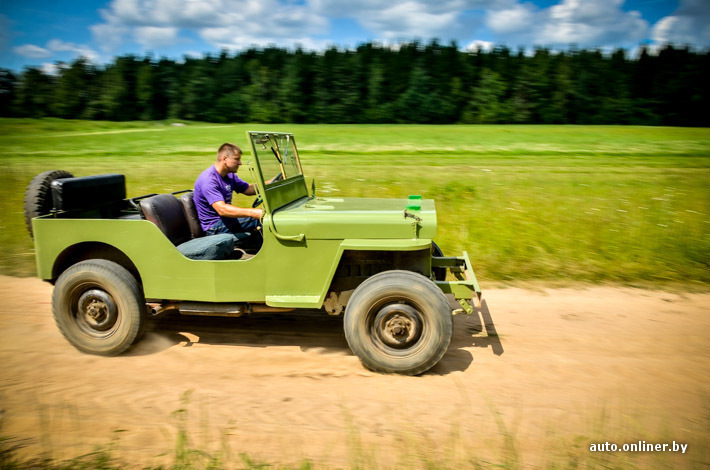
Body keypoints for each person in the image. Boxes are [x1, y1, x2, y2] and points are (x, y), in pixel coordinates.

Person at [193, 143, 263, 242]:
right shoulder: (209, 180)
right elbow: (222, 209)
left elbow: (248, 189)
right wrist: (252, 212)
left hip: (226, 221)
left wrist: (272, 183)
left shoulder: (229, 175)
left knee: (262, 216)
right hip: (214, 228)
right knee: (260, 218)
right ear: (224, 159)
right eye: (237, 159)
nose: (240, 163)